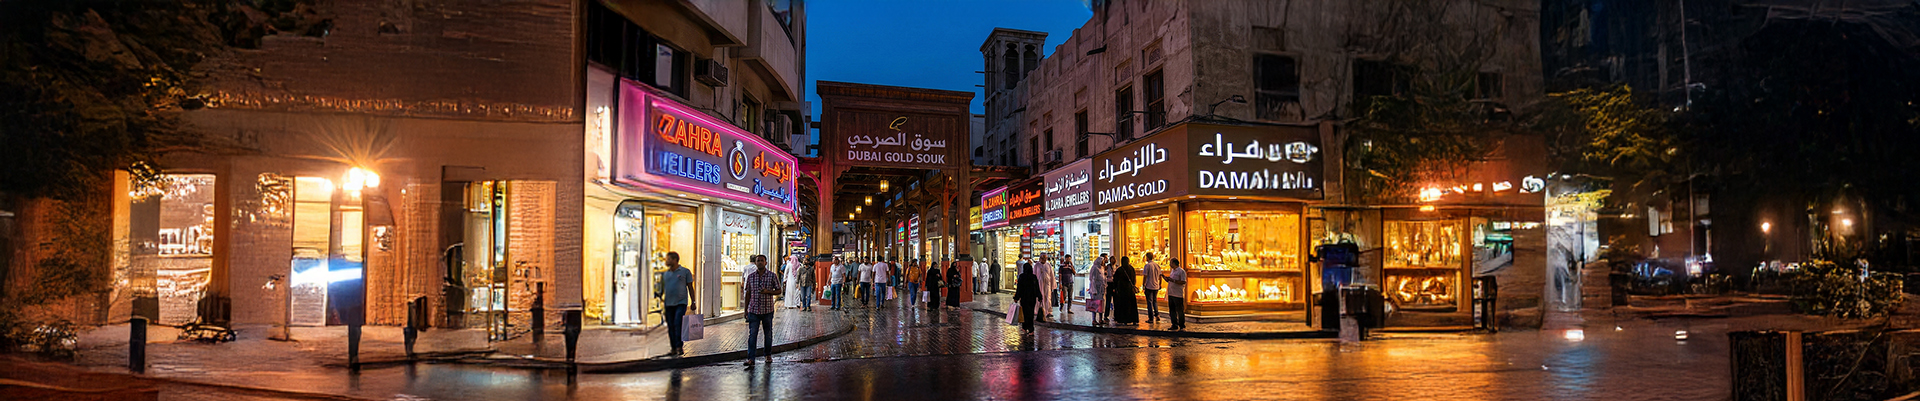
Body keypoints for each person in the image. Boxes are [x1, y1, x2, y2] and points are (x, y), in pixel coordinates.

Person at [743, 255, 781, 368]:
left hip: (767, 310)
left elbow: (779, 290)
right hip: (754, 310)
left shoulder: (772, 276)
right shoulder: (750, 277)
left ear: (766, 262)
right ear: (755, 263)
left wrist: (768, 291)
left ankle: (768, 355)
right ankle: (751, 358)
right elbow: (748, 294)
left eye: (761, 261)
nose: (759, 262)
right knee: (752, 335)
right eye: (757, 261)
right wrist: (745, 310)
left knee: (768, 334)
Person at [661, 252, 695, 356]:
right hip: (668, 303)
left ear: (675, 260)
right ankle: (673, 348)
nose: (666, 261)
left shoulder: (685, 272)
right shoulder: (665, 274)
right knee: (670, 325)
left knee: (677, 323)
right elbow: (662, 289)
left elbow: (690, 287)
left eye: (668, 259)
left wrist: (693, 301)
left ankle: (679, 346)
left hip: (681, 303)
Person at [1014, 261, 1041, 334]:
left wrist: (1016, 297)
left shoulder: (1022, 277)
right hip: (1032, 298)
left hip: (1024, 298)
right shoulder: (1034, 277)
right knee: (1031, 313)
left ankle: (1025, 327)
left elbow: (1019, 288)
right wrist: (1039, 296)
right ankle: (1031, 328)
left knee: (1025, 313)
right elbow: (1037, 288)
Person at [1111, 256, 1139, 325]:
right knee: (1132, 305)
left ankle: (1125, 320)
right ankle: (1134, 319)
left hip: (1122, 290)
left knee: (1124, 305)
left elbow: (1115, 279)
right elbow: (1134, 278)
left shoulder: (1120, 270)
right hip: (1130, 289)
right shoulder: (1131, 268)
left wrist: (1115, 288)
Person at [1165, 258, 1188, 331]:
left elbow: (1183, 282)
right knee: (1172, 310)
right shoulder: (1172, 271)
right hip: (1171, 293)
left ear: (1174, 263)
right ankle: (1174, 324)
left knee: (1179, 310)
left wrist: (1174, 281)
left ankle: (1182, 325)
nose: (1170, 264)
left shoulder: (1181, 271)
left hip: (1178, 294)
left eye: (1171, 263)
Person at [1141, 253, 1163, 325]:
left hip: (1149, 285)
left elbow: (1145, 276)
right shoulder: (1157, 265)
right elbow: (1160, 275)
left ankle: (1151, 318)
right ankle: (1157, 315)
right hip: (1156, 285)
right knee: (1155, 301)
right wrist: (1160, 284)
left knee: (1149, 302)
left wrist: (1143, 285)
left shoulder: (1147, 266)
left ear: (1147, 258)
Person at [1086, 253, 1107, 326]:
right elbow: (1093, 279)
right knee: (1095, 304)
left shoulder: (1102, 268)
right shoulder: (1095, 268)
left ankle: (1101, 318)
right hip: (1096, 289)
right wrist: (1094, 289)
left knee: (1102, 304)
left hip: (1101, 289)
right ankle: (1094, 319)